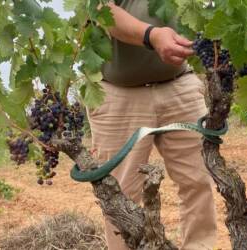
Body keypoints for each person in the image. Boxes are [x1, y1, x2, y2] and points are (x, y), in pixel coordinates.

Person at [87, 1, 217, 250]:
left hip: (180, 85)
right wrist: (152, 35)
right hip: (118, 94)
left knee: (199, 182)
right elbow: (102, 9)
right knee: (119, 196)